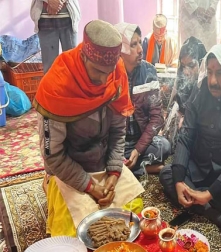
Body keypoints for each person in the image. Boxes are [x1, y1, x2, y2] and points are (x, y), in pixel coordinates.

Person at [33, 20, 145, 237]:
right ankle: (50, 188)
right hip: (70, 173)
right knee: (76, 232)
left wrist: (113, 173)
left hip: (103, 164)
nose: (103, 80)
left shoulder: (116, 73)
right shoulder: (56, 87)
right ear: (84, 56)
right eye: (97, 71)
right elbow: (53, 157)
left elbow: (117, 132)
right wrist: (90, 186)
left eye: (108, 72)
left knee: (132, 214)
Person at [159, 44, 221, 236]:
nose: (213, 81)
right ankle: (210, 212)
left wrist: (210, 193)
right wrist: (180, 180)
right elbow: (186, 136)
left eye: (220, 73)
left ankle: (200, 199)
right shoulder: (200, 92)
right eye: (210, 72)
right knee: (168, 174)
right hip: (202, 164)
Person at [115, 22, 171, 176]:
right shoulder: (110, 73)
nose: (140, 49)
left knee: (165, 146)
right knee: (93, 154)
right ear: (121, 49)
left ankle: (123, 169)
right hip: (115, 143)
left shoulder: (149, 72)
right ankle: (143, 168)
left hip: (140, 141)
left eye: (140, 42)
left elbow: (157, 118)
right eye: (134, 45)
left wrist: (138, 150)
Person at [163, 36, 207, 152]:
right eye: (183, 66)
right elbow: (175, 101)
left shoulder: (209, 82)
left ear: (202, 62)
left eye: (191, 66)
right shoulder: (181, 76)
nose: (186, 72)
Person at [30, 0, 81, 73]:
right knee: (50, 69)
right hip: (44, 19)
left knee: (73, 66)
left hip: (69, 18)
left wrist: (58, 1)